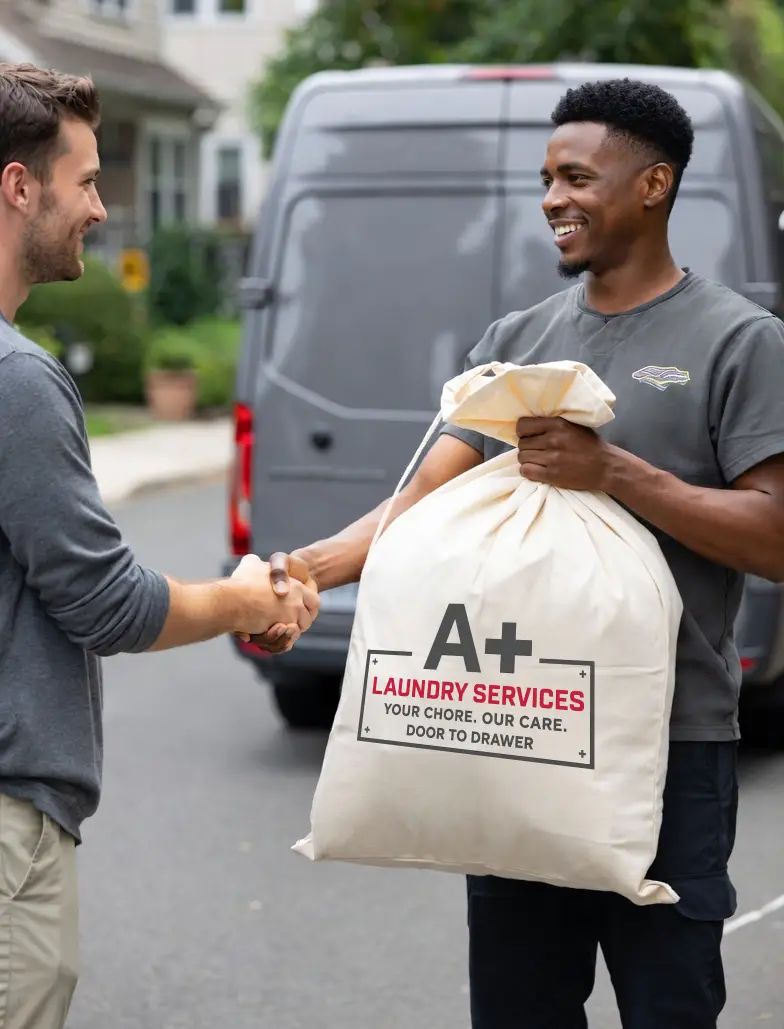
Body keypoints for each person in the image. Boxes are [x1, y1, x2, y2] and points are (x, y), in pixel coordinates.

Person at [257, 78, 784, 1028]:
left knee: (670, 1007)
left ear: (655, 184)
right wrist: (305, 574)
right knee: (518, 1011)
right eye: (546, 177)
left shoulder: (741, 341)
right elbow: (420, 500)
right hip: (521, 736)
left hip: (669, 747)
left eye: (577, 175)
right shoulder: (518, 341)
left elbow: (776, 535)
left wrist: (614, 472)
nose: (552, 197)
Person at [0, 62, 320, 1029]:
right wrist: (244, 599)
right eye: (88, 180)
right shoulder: (18, 381)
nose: (102, 207)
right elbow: (107, 603)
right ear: (19, 187)